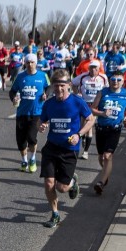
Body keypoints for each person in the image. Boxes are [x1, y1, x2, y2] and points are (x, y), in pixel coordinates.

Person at [38, 69, 95, 229]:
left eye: (62, 86)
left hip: (69, 149)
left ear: (69, 85)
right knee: (49, 183)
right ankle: (55, 214)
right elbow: (41, 121)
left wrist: (79, 134)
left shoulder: (77, 102)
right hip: (51, 148)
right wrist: (41, 126)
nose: (59, 89)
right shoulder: (49, 103)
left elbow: (90, 120)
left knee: (62, 188)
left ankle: (72, 181)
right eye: (56, 86)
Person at [90, 73, 126, 195]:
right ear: (109, 81)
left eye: (118, 80)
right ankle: (106, 174)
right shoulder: (102, 93)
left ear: (123, 81)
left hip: (114, 129)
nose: (115, 81)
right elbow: (92, 109)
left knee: (107, 156)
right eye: (113, 79)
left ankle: (101, 182)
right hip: (101, 129)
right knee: (101, 157)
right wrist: (102, 114)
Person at [9, 54, 50, 172]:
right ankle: (24, 160)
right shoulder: (20, 77)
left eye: (32, 62)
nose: (30, 65)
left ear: (36, 63)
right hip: (22, 112)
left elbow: (49, 87)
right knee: (21, 142)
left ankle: (32, 159)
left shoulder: (43, 75)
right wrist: (14, 99)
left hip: (37, 112)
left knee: (32, 137)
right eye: (28, 62)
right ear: (25, 64)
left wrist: (46, 94)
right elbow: (12, 91)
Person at [71, 59, 107, 160]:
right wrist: (76, 93)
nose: (93, 69)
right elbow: (73, 83)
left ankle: (85, 151)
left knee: (89, 125)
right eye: (91, 67)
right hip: (84, 103)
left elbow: (107, 89)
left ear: (99, 69)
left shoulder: (103, 78)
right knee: (82, 125)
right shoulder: (83, 76)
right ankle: (81, 139)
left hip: (95, 104)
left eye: (95, 68)